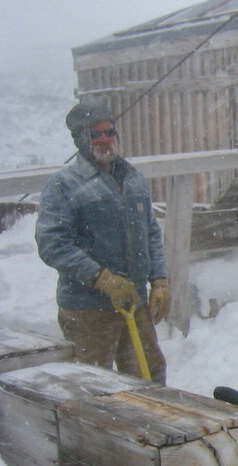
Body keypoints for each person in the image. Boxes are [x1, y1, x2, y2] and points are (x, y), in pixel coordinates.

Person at [35, 101, 170, 383]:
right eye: (96, 135)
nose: (105, 140)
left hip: (134, 303)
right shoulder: (64, 185)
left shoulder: (133, 179)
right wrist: (102, 278)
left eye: (109, 132)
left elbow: (151, 232)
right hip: (88, 312)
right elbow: (52, 243)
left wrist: (159, 280)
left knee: (151, 380)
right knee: (93, 388)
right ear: (81, 140)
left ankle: (144, 428)